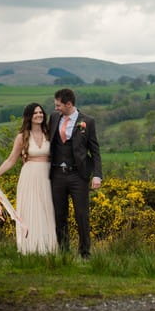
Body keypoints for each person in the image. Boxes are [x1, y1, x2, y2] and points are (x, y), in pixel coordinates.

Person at [0, 103, 57, 254]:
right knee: (31, 210)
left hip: (47, 177)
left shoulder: (49, 134)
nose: (39, 115)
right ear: (29, 116)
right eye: (35, 113)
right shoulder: (22, 137)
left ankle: (49, 250)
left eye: (41, 112)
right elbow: (11, 160)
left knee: (48, 211)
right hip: (29, 177)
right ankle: (30, 249)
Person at [49, 88, 102, 258]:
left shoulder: (88, 121)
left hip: (78, 176)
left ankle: (85, 253)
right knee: (59, 215)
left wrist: (97, 175)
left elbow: (95, 151)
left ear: (69, 104)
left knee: (81, 215)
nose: (56, 108)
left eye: (58, 105)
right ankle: (63, 252)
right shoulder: (54, 118)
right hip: (57, 174)